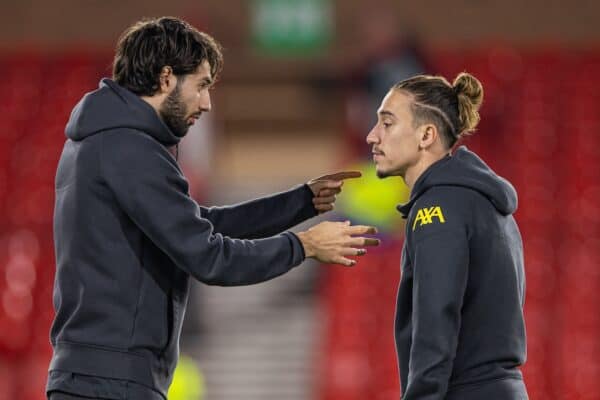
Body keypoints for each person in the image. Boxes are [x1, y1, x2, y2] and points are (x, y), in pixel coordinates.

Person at [47, 17, 379, 400]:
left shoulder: (107, 142)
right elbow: (208, 257)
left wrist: (300, 202)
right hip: (110, 384)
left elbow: (198, 224)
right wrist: (302, 246)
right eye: (202, 85)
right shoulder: (131, 149)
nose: (206, 103)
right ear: (167, 78)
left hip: (97, 379)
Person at [366, 73, 528, 399]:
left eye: (387, 123)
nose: (372, 136)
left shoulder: (437, 207)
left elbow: (437, 317)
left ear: (426, 135)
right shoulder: (486, 202)